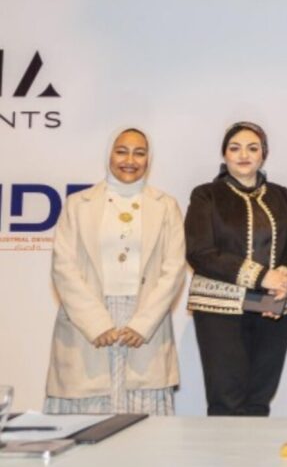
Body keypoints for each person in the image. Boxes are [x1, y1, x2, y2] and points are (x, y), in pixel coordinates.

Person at [45, 127, 185, 415]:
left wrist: (143, 324)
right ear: (109, 154)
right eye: (122, 151)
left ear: (149, 159)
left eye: (139, 153)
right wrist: (96, 323)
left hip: (145, 320)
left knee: (143, 422)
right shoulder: (77, 204)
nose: (130, 160)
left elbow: (174, 269)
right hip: (88, 322)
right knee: (86, 418)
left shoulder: (166, 206)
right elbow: (63, 267)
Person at [184, 121, 287, 416]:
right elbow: (200, 252)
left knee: (259, 398)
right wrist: (262, 277)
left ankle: (256, 449)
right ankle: (225, 449)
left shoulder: (285, 197)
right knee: (226, 398)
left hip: (273, 304)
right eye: (235, 148)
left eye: (252, 148)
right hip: (220, 307)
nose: (244, 155)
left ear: (263, 154)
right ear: (224, 154)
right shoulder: (206, 195)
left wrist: (282, 281)